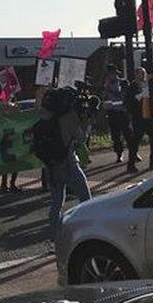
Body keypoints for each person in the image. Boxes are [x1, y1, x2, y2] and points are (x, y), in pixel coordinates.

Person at [39, 89, 92, 247]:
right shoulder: (68, 118)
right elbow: (81, 138)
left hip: (51, 165)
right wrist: (86, 121)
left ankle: (54, 241)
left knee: (56, 204)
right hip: (69, 164)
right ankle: (89, 234)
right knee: (86, 200)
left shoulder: (45, 116)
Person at [126, 67, 153, 172]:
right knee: (135, 142)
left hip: (150, 117)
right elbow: (132, 100)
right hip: (138, 118)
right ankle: (131, 164)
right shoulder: (132, 87)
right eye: (140, 74)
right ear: (136, 75)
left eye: (144, 73)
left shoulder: (150, 85)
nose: (143, 76)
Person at [102, 66, 134, 165]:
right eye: (110, 74)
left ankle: (133, 153)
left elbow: (122, 95)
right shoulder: (106, 85)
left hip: (123, 112)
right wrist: (105, 89)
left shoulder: (123, 83)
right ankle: (119, 154)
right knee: (115, 135)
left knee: (128, 134)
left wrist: (110, 90)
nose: (112, 76)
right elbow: (104, 99)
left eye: (113, 74)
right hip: (112, 113)